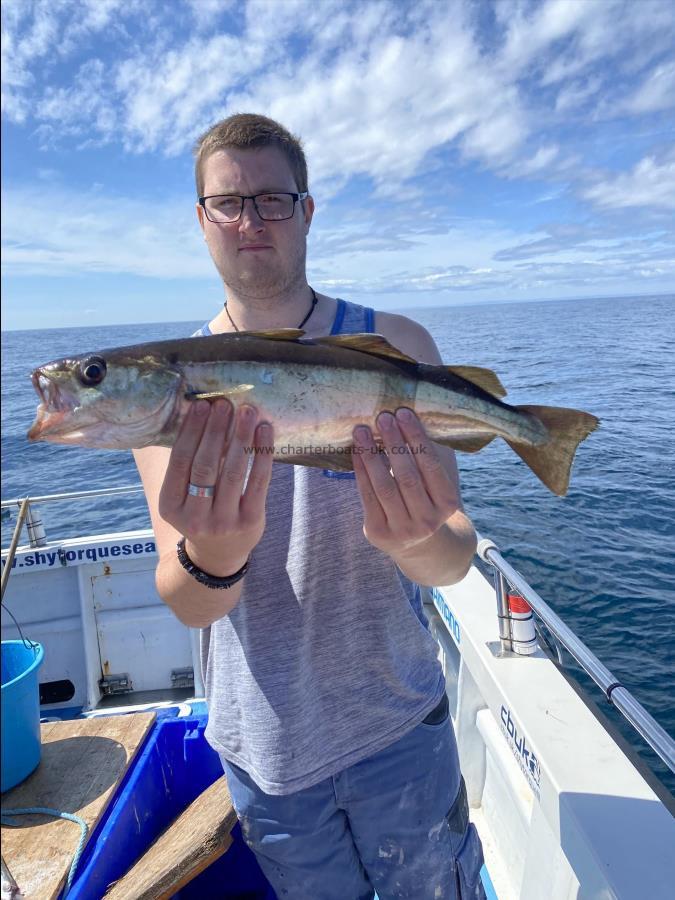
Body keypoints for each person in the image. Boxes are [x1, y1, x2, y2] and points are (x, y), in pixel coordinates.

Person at [134, 113, 486, 899]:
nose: (250, 219)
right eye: (228, 202)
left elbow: (453, 555)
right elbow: (185, 601)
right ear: (200, 220)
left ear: (308, 210)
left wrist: (414, 539)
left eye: (273, 198)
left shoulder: (395, 343)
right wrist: (214, 556)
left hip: (399, 723)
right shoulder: (166, 392)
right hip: (265, 748)